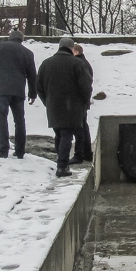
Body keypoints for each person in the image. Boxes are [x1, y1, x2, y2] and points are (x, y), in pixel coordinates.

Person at [36, 36, 93, 177]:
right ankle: (62, 166)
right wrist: (84, 102)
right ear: (71, 48)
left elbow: (39, 86)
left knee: (59, 134)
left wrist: (47, 101)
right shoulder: (77, 63)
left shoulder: (46, 63)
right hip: (72, 106)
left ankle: (61, 162)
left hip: (53, 105)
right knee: (67, 134)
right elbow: (86, 86)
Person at [0, 29, 37, 158]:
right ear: (21, 39)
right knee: (19, 121)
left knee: (1, 119)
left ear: (10, 37)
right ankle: (20, 150)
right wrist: (32, 93)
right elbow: (32, 76)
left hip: (0, 89)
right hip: (18, 91)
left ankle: (3, 149)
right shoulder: (28, 53)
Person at [71, 43, 94, 164]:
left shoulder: (79, 64)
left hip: (80, 101)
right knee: (83, 126)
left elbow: (84, 84)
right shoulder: (84, 63)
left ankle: (83, 153)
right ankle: (87, 152)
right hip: (83, 100)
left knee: (80, 127)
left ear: (76, 52)